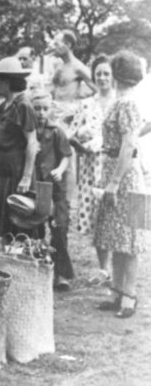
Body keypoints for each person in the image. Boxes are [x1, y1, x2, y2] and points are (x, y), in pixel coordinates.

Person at [95, 51, 150, 318]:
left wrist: (114, 183)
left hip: (129, 179)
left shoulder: (127, 104)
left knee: (130, 239)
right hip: (122, 173)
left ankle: (129, 295)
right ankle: (117, 291)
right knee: (117, 237)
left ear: (116, 75)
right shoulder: (124, 103)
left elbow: (128, 145)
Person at [67, 55, 115, 282]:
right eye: (99, 74)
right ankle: (104, 269)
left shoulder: (120, 102)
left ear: (113, 76)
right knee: (97, 218)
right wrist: (80, 143)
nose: (103, 77)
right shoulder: (87, 104)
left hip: (113, 166)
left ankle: (118, 269)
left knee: (114, 217)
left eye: (106, 73)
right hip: (90, 166)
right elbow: (71, 133)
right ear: (93, 78)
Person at [0, 57, 38, 244]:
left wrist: (27, 177)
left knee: (19, 220)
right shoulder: (3, 106)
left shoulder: (23, 105)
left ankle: (18, 261)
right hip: (0, 170)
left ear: (7, 81)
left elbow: (32, 142)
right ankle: (7, 260)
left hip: (16, 170)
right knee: (5, 223)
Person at [31, 91, 75, 291]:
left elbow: (67, 155)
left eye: (45, 108)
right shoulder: (29, 132)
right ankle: (40, 269)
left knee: (59, 229)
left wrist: (60, 169)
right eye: (37, 108)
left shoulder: (56, 131)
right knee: (35, 228)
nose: (41, 113)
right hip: (36, 187)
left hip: (56, 188)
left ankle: (61, 274)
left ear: (51, 110)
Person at [47, 30, 97, 125]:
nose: (54, 47)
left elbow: (97, 89)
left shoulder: (78, 67)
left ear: (68, 45)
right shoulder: (59, 67)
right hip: (54, 114)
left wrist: (83, 103)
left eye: (57, 44)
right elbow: (51, 90)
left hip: (69, 117)